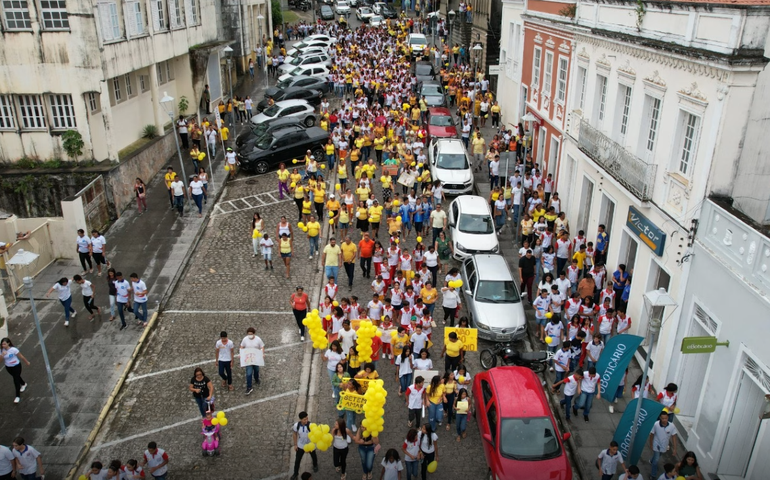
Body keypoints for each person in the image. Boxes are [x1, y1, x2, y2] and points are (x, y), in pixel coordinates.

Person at [649, 411, 678, 479]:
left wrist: (675, 448)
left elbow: (674, 436)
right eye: (663, 418)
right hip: (656, 444)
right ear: (660, 418)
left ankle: (651, 460)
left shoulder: (671, 426)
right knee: (656, 461)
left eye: (666, 418)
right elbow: (652, 434)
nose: (664, 420)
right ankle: (653, 475)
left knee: (658, 455)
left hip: (664, 445)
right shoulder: (656, 424)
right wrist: (651, 444)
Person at [291, 412, 319, 480]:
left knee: (313, 456)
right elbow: (295, 434)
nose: (306, 420)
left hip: (310, 444)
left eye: (307, 418)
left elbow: (315, 434)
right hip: (301, 445)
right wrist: (295, 444)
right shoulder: (296, 425)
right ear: (300, 419)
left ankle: (315, 465)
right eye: (304, 419)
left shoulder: (310, 425)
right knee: (297, 460)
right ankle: (295, 473)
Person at [2, 337, 29, 404]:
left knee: (16, 379)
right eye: (2, 344)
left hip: (16, 366)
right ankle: (23, 384)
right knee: (16, 376)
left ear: (8, 343)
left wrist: (27, 362)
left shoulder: (13, 349)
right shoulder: (1, 350)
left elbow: (21, 356)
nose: (3, 346)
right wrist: (2, 355)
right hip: (8, 367)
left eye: (4, 344)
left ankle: (17, 396)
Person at [240, 327, 265, 394]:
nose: (249, 335)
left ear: (254, 334)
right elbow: (242, 346)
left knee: (256, 370)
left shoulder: (258, 339)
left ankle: (256, 378)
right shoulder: (245, 339)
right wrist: (241, 354)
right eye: (248, 334)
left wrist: (262, 353)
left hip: (256, 358)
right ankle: (249, 387)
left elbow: (262, 347)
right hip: (248, 359)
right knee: (248, 373)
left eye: (251, 334)